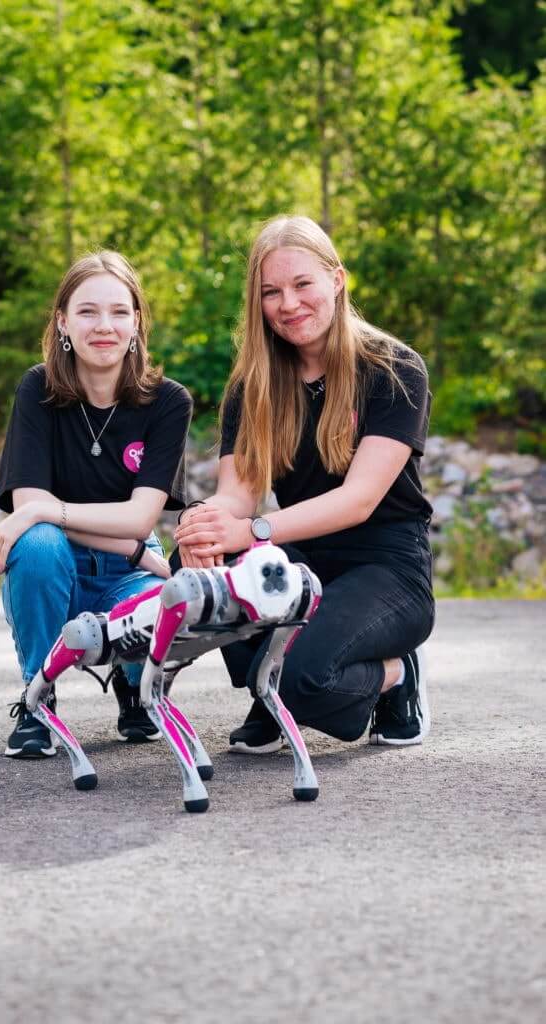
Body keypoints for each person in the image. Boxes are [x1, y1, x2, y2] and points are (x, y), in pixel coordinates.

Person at [174, 215, 434, 754]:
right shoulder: (255, 384)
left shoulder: (395, 369)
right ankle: (266, 686)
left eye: (301, 284)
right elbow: (237, 494)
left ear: (336, 280)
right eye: (271, 292)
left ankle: (395, 673)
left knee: (309, 683)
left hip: (385, 564)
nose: (288, 304)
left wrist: (251, 529)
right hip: (300, 559)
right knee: (201, 566)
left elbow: (358, 501)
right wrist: (206, 524)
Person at [0, 250, 193, 757]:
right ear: (62, 321)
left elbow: (141, 517)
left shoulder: (169, 401)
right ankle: (39, 700)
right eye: (87, 311)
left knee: (159, 600)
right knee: (37, 545)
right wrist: (132, 548)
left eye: (119, 312)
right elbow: (30, 511)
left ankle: (135, 685)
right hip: (61, 564)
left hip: (129, 569)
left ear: (137, 321)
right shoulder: (37, 388)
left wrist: (47, 511)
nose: (104, 326)